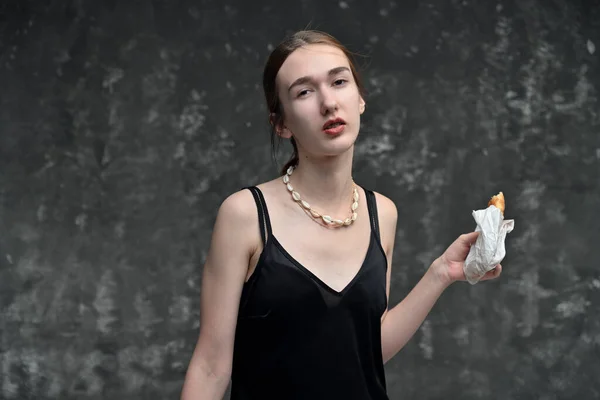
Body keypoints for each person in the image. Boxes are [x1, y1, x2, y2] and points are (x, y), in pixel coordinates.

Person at [180, 30, 502, 400]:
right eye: (304, 91)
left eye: (339, 81)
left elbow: (363, 349)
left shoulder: (382, 212)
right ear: (281, 123)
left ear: (360, 99)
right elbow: (210, 367)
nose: (328, 102)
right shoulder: (245, 214)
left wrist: (441, 273)